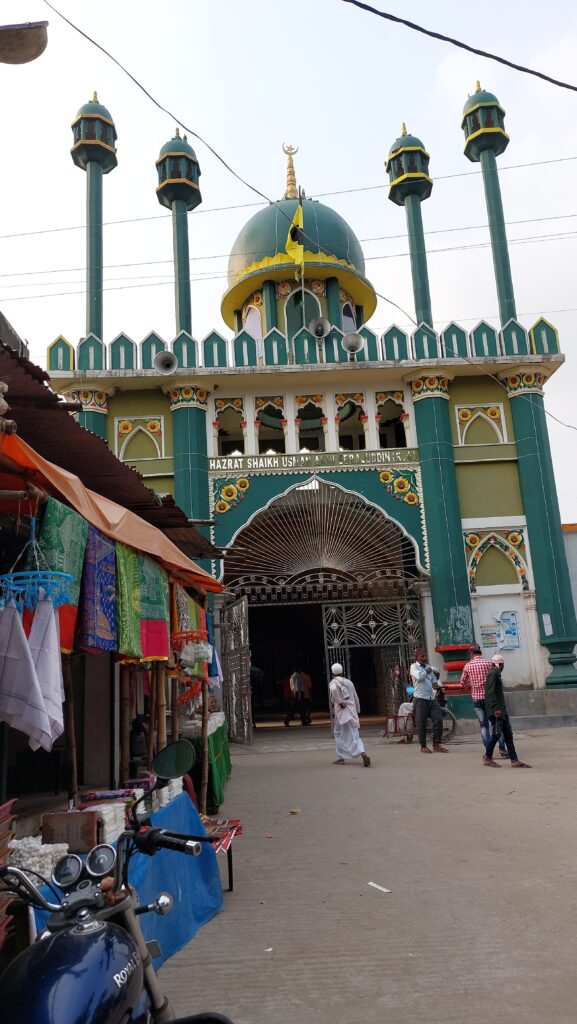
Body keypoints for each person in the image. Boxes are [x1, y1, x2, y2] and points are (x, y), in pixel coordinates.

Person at [460, 645, 507, 761]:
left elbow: (462, 682)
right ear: (480, 652)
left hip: (476, 698)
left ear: (471, 654)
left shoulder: (468, 666)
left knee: (484, 726)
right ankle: (502, 748)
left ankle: (488, 751)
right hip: (490, 699)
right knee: (497, 723)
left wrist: (470, 687)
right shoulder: (488, 663)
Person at [484, 654, 531, 768]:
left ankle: (514, 760)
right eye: (503, 664)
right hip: (497, 710)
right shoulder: (493, 674)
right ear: (500, 664)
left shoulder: (496, 674)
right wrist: (496, 708)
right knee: (496, 734)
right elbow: (490, 693)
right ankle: (487, 758)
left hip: (501, 710)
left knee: (508, 734)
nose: (503, 666)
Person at [329, 663, 370, 767]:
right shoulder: (349, 682)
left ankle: (341, 758)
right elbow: (355, 697)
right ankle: (363, 752)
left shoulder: (333, 682)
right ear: (342, 671)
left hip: (342, 713)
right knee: (355, 734)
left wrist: (339, 701)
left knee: (338, 733)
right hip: (352, 712)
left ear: (333, 673)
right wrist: (357, 710)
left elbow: (333, 690)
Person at [409, 650, 448, 753]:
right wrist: (427, 671)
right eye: (422, 656)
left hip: (431, 698)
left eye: (425, 656)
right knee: (421, 723)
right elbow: (419, 677)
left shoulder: (427, 666)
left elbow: (433, 679)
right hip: (420, 698)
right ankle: (423, 746)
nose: (424, 658)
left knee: (438, 719)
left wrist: (436, 684)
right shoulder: (413, 667)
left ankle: (436, 744)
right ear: (416, 657)